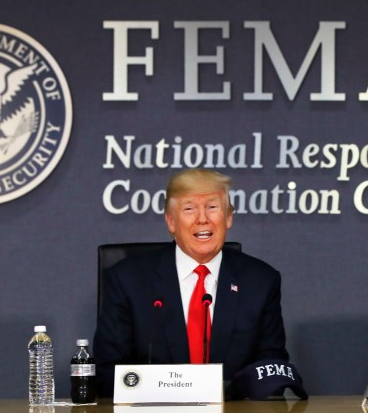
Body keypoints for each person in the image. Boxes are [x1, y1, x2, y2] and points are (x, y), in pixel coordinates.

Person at [93, 168, 289, 398]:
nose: (202, 218)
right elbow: (108, 373)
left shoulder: (260, 282)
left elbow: (271, 370)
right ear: (171, 221)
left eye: (212, 207)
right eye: (189, 209)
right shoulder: (128, 281)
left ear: (228, 218)